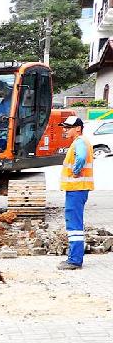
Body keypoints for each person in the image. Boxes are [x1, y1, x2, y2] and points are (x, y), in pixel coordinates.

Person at [58, 115, 93, 271]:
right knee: (74, 223)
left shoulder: (79, 142)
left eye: (68, 127)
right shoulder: (79, 142)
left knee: (74, 225)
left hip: (77, 188)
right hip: (77, 189)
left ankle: (74, 261)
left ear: (77, 128)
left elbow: (81, 158)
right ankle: (74, 258)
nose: (65, 130)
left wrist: (75, 171)